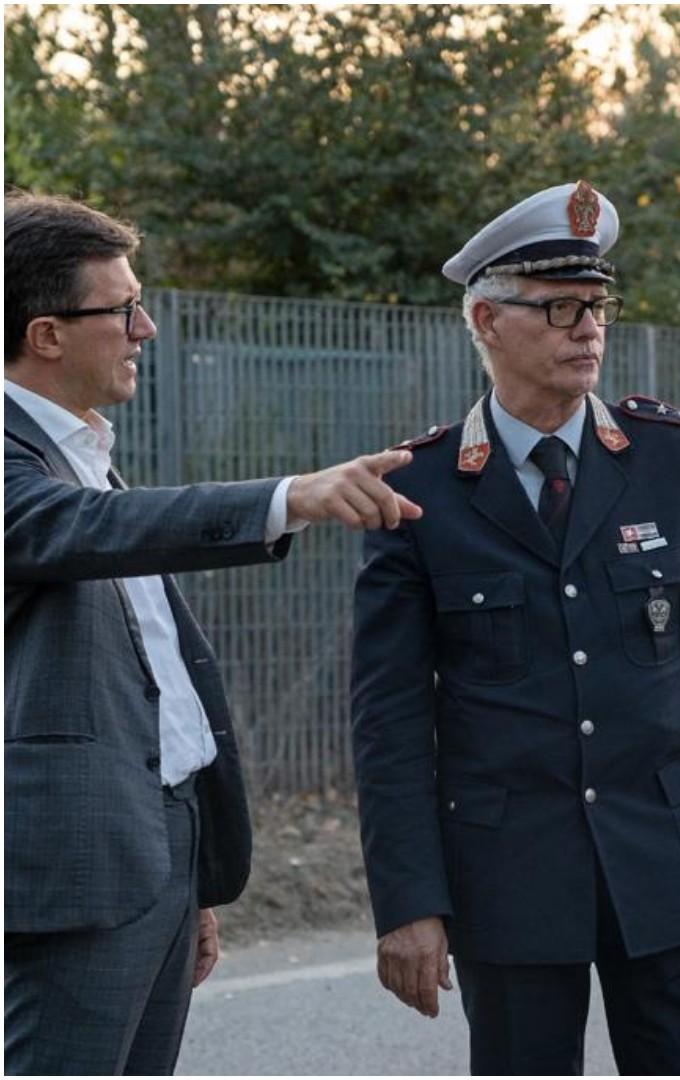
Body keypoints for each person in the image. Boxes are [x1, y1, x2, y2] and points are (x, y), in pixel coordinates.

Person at [350, 180, 680, 1075]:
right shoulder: (420, 486)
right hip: (509, 875)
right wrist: (408, 900)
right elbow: (390, 720)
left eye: (597, 306)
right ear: (485, 320)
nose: (587, 328)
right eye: (559, 308)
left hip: (669, 860)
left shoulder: (664, 451)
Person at [3, 192, 423, 1075]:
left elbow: (143, 670)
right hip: (72, 879)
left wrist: (189, 877)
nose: (145, 327)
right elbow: (77, 533)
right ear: (46, 335)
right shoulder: (28, 472)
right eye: (122, 309)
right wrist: (288, 497)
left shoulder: (79, 451)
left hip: (152, 853)